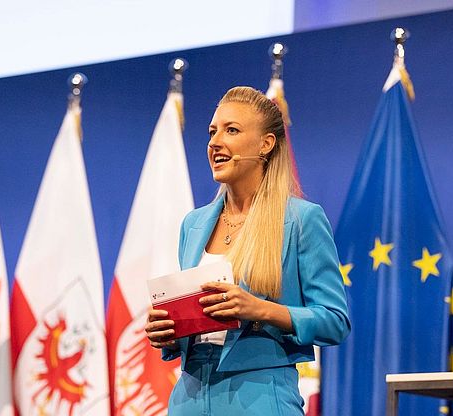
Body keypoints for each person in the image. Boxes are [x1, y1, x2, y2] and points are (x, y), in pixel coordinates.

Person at [145, 86, 350, 415]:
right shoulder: (193, 224)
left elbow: (335, 321)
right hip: (189, 397)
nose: (215, 142)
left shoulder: (301, 220)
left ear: (266, 144)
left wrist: (260, 309)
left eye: (232, 130)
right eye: (212, 131)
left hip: (260, 398)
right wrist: (169, 333)